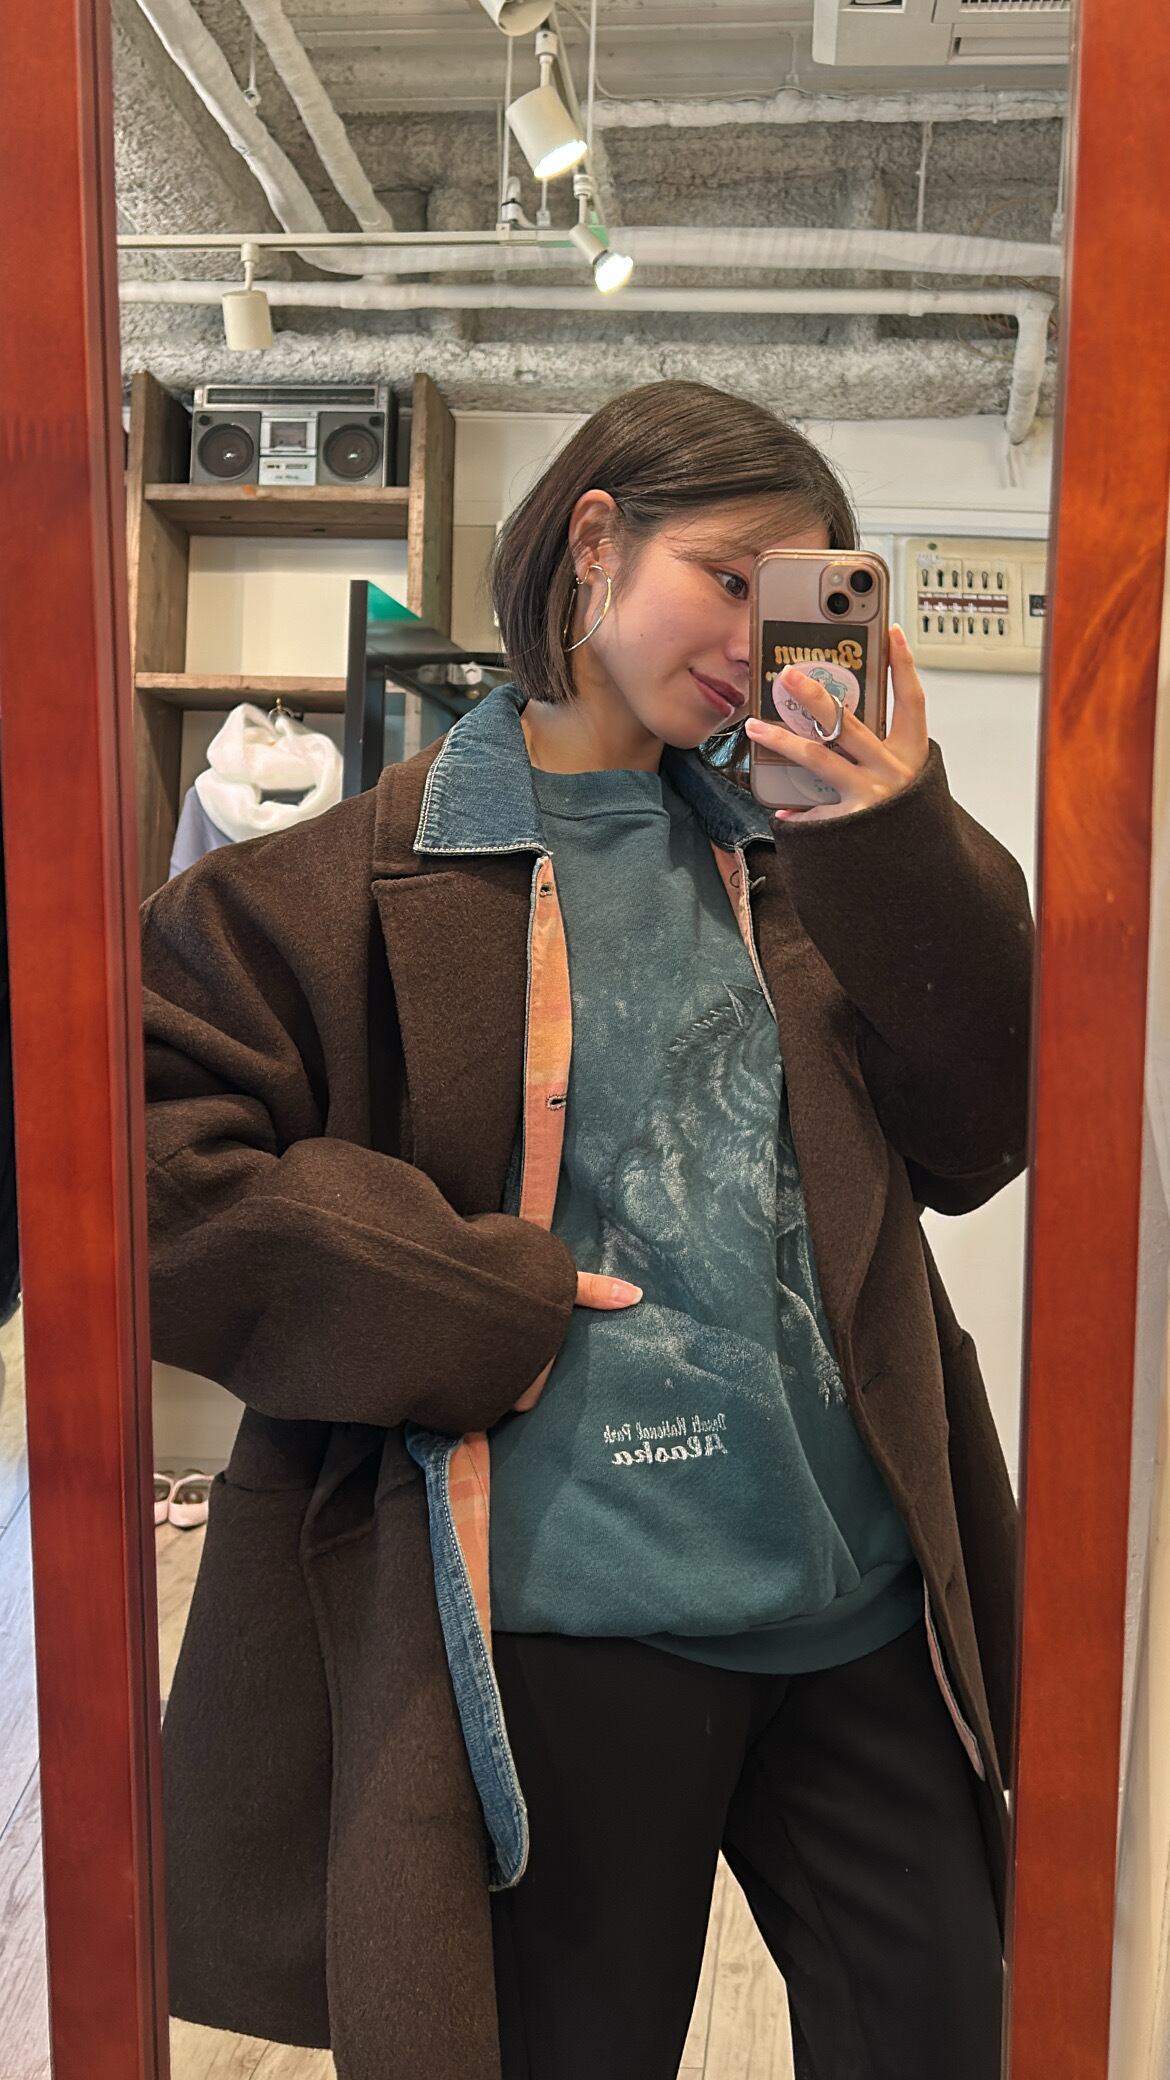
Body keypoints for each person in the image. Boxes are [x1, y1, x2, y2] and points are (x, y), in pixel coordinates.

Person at [143, 379, 1032, 2080]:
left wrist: (892, 832)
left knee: (945, 2039)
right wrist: (474, 1299)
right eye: (728, 575)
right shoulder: (336, 885)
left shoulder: (805, 868)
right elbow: (150, 1171)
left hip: (860, 1603)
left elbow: (978, 1136)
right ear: (594, 540)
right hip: (568, 1625)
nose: (754, 637)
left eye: (799, 593)